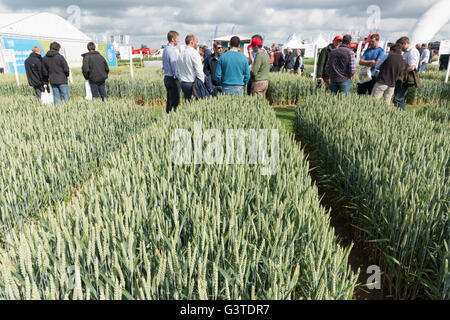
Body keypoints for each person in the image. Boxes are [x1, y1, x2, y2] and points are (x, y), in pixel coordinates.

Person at [393, 36, 420, 111]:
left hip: (406, 78)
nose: (399, 48)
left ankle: (400, 115)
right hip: (403, 77)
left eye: (400, 45)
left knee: (398, 98)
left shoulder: (412, 51)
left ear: (405, 43)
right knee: (397, 97)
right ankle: (398, 114)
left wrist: (400, 73)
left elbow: (412, 67)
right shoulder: (406, 52)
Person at [175, 34, 205, 102]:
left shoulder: (180, 54)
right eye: (196, 42)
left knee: (187, 104)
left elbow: (176, 71)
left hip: (183, 83)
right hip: (193, 84)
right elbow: (199, 70)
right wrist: (201, 83)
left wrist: (181, 79)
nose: (197, 44)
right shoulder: (194, 53)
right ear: (191, 42)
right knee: (197, 104)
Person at [162, 30, 181, 113]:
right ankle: (172, 119)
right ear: (173, 39)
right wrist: (178, 77)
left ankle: (168, 118)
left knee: (169, 100)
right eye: (177, 39)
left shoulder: (166, 49)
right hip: (173, 79)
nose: (178, 40)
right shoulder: (172, 50)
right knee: (174, 101)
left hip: (167, 77)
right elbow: (174, 66)